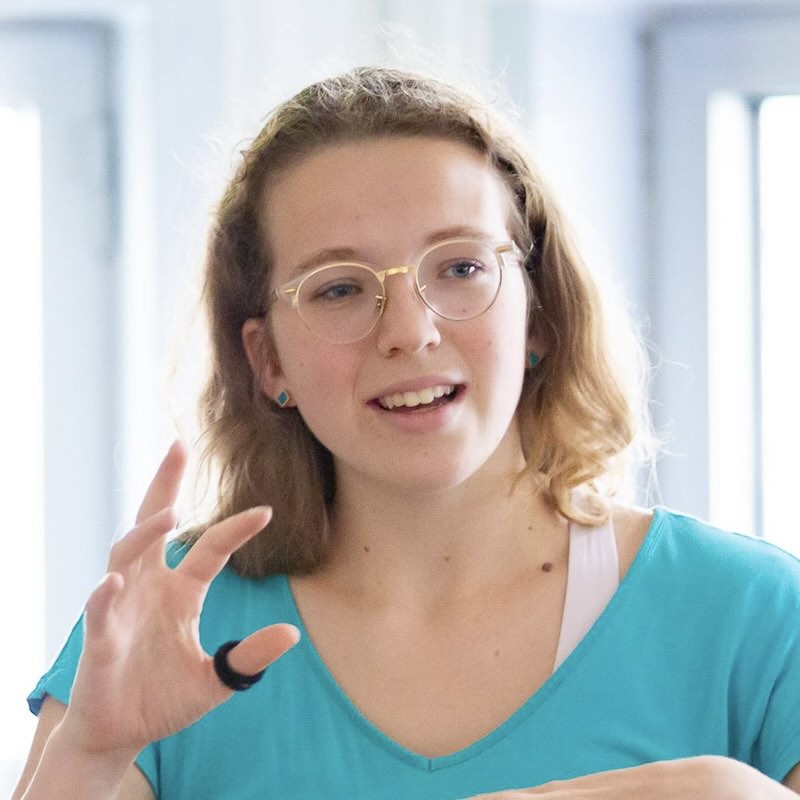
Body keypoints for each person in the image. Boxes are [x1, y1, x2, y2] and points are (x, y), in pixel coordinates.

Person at [13, 66, 800, 800]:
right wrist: (87, 755)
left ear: (538, 313)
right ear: (267, 360)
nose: (409, 331)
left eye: (459, 268)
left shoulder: (759, 619)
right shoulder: (166, 629)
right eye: (340, 288)